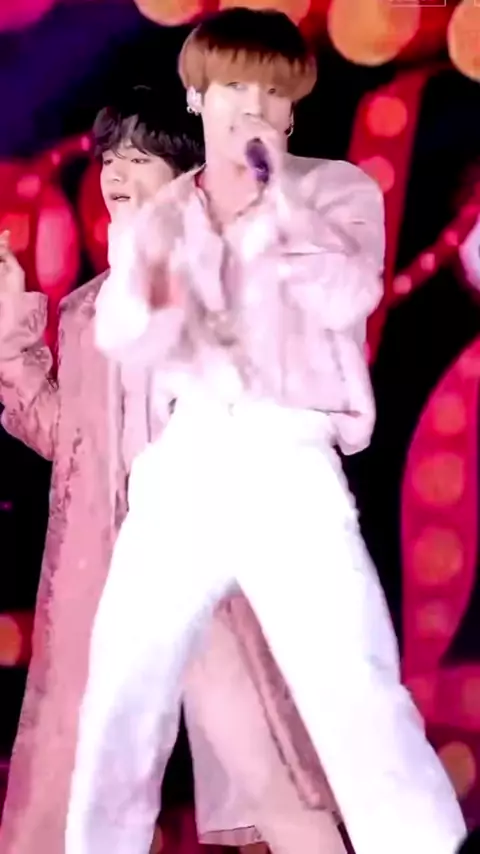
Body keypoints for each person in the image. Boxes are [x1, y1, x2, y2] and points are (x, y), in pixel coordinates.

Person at [65, 8, 467, 854]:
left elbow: (349, 296)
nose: (251, 106)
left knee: (353, 689)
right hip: (189, 458)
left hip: (288, 455)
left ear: (292, 109)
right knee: (121, 699)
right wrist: (165, 275)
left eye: (271, 93)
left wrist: (275, 203)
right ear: (197, 97)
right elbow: (125, 334)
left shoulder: (336, 190)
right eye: (232, 88)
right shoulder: (164, 216)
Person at [0, 87, 346, 854]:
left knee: (270, 775)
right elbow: (71, 442)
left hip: (208, 574)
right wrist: (7, 327)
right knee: (76, 795)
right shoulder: (86, 311)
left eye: (139, 158)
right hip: (105, 584)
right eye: (109, 159)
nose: (117, 174)